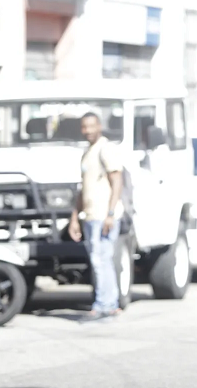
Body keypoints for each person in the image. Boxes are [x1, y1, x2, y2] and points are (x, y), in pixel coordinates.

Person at [68, 112, 125, 321]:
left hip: (104, 216)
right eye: (84, 127)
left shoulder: (106, 148)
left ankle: (106, 305)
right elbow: (83, 190)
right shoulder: (87, 153)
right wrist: (75, 218)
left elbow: (117, 181)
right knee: (98, 260)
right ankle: (106, 303)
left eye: (92, 126)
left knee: (102, 260)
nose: (88, 130)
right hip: (90, 216)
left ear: (99, 126)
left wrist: (110, 214)